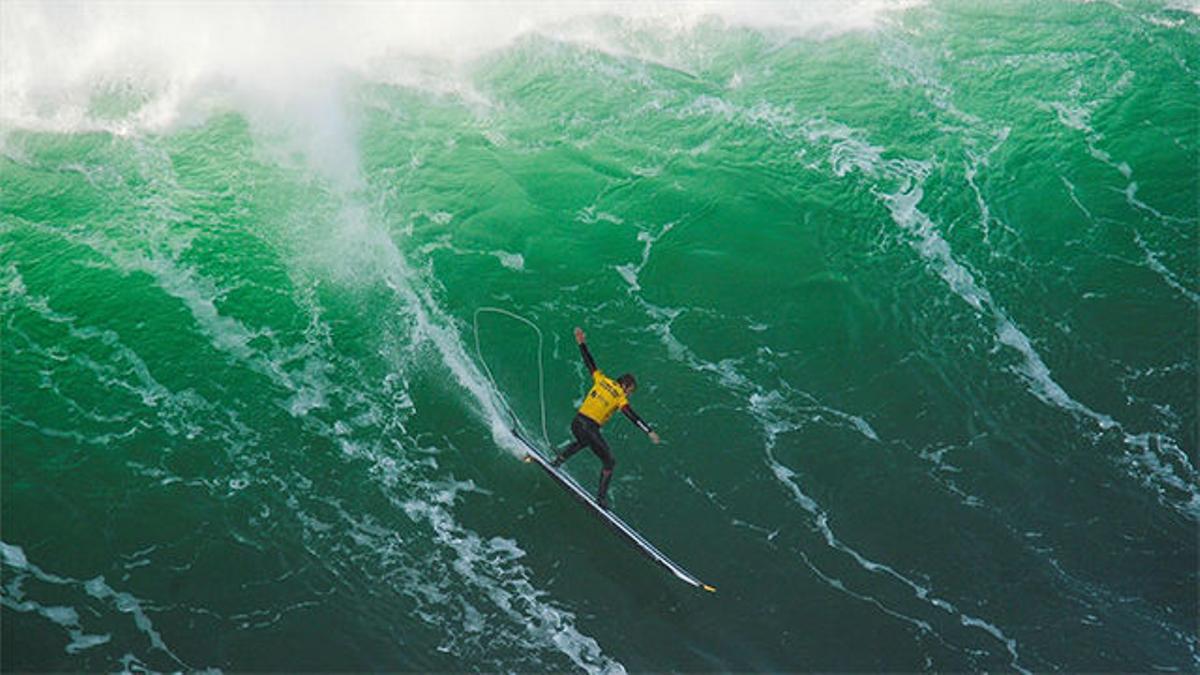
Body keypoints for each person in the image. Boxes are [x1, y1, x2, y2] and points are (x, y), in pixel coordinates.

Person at [552, 326, 660, 509]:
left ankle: (558, 460)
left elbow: (589, 362)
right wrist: (648, 431)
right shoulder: (620, 396)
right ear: (626, 386)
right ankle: (600, 500)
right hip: (589, 427)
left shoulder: (602, 379)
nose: (630, 395)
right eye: (631, 391)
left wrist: (581, 342)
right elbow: (631, 415)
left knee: (583, 442)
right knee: (610, 462)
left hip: (577, 422)